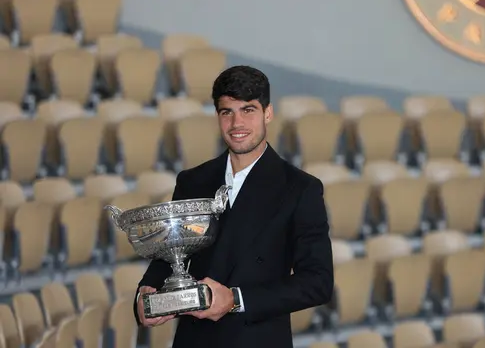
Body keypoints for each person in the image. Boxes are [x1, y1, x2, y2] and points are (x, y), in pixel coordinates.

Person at [132, 65, 334, 347]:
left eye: (248, 110)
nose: (237, 123)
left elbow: (318, 283)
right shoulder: (192, 181)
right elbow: (170, 255)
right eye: (227, 112)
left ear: (268, 113)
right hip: (194, 340)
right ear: (217, 117)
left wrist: (236, 300)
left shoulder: (300, 189)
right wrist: (146, 295)